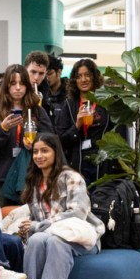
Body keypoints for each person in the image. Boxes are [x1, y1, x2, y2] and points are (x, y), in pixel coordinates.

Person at [15, 132, 104, 279]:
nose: (39, 156)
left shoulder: (71, 177)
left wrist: (39, 226)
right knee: (37, 240)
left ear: (56, 152)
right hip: (48, 237)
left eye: (45, 151)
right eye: (36, 152)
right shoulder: (33, 182)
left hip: (81, 237)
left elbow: (78, 213)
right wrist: (27, 230)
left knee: (56, 241)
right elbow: (38, 224)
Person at [0, 64, 54, 204]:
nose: (18, 88)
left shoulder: (36, 110)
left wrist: (36, 142)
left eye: (22, 83)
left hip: (29, 176)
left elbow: (50, 140)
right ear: (6, 86)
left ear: (27, 85)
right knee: (2, 218)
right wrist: (2, 128)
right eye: (13, 83)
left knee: (26, 221)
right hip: (0, 178)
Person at [55, 57, 121, 187]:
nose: (83, 79)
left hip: (103, 163)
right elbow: (61, 140)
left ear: (94, 77)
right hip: (77, 164)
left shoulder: (106, 102)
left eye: (87, 75)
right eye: (79, 76)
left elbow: (118, 134)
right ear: (74, 80)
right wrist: (77, 125)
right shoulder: (69, 105)